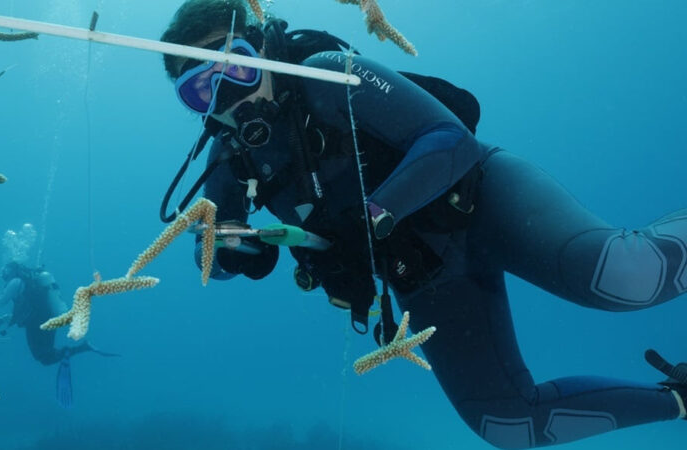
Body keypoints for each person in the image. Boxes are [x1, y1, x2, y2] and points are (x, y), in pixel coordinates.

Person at [158, 1, 687, 448]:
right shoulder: (229, 162)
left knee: (624, 276)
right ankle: (680, 402)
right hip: (426, 270)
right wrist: (232, 252)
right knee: (505, 421)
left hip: (480, 198)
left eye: (236, 67)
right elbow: (219, 251)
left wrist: (372, 217)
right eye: (201, 91)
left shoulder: (328, 73)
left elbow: (448, 138)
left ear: (262, 47)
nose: (228, 95)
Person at [0, 261, 118, 408]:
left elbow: (0, 302)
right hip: (46, 321)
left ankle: (82, 348)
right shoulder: (27, 283)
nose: (3, 272)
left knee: (44, 358)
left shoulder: (16, 282)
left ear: (13, 270)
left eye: (6, 268)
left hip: (38, 323)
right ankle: (82, 348)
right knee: (45, 357)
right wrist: (4, 319)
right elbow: (25, 309)